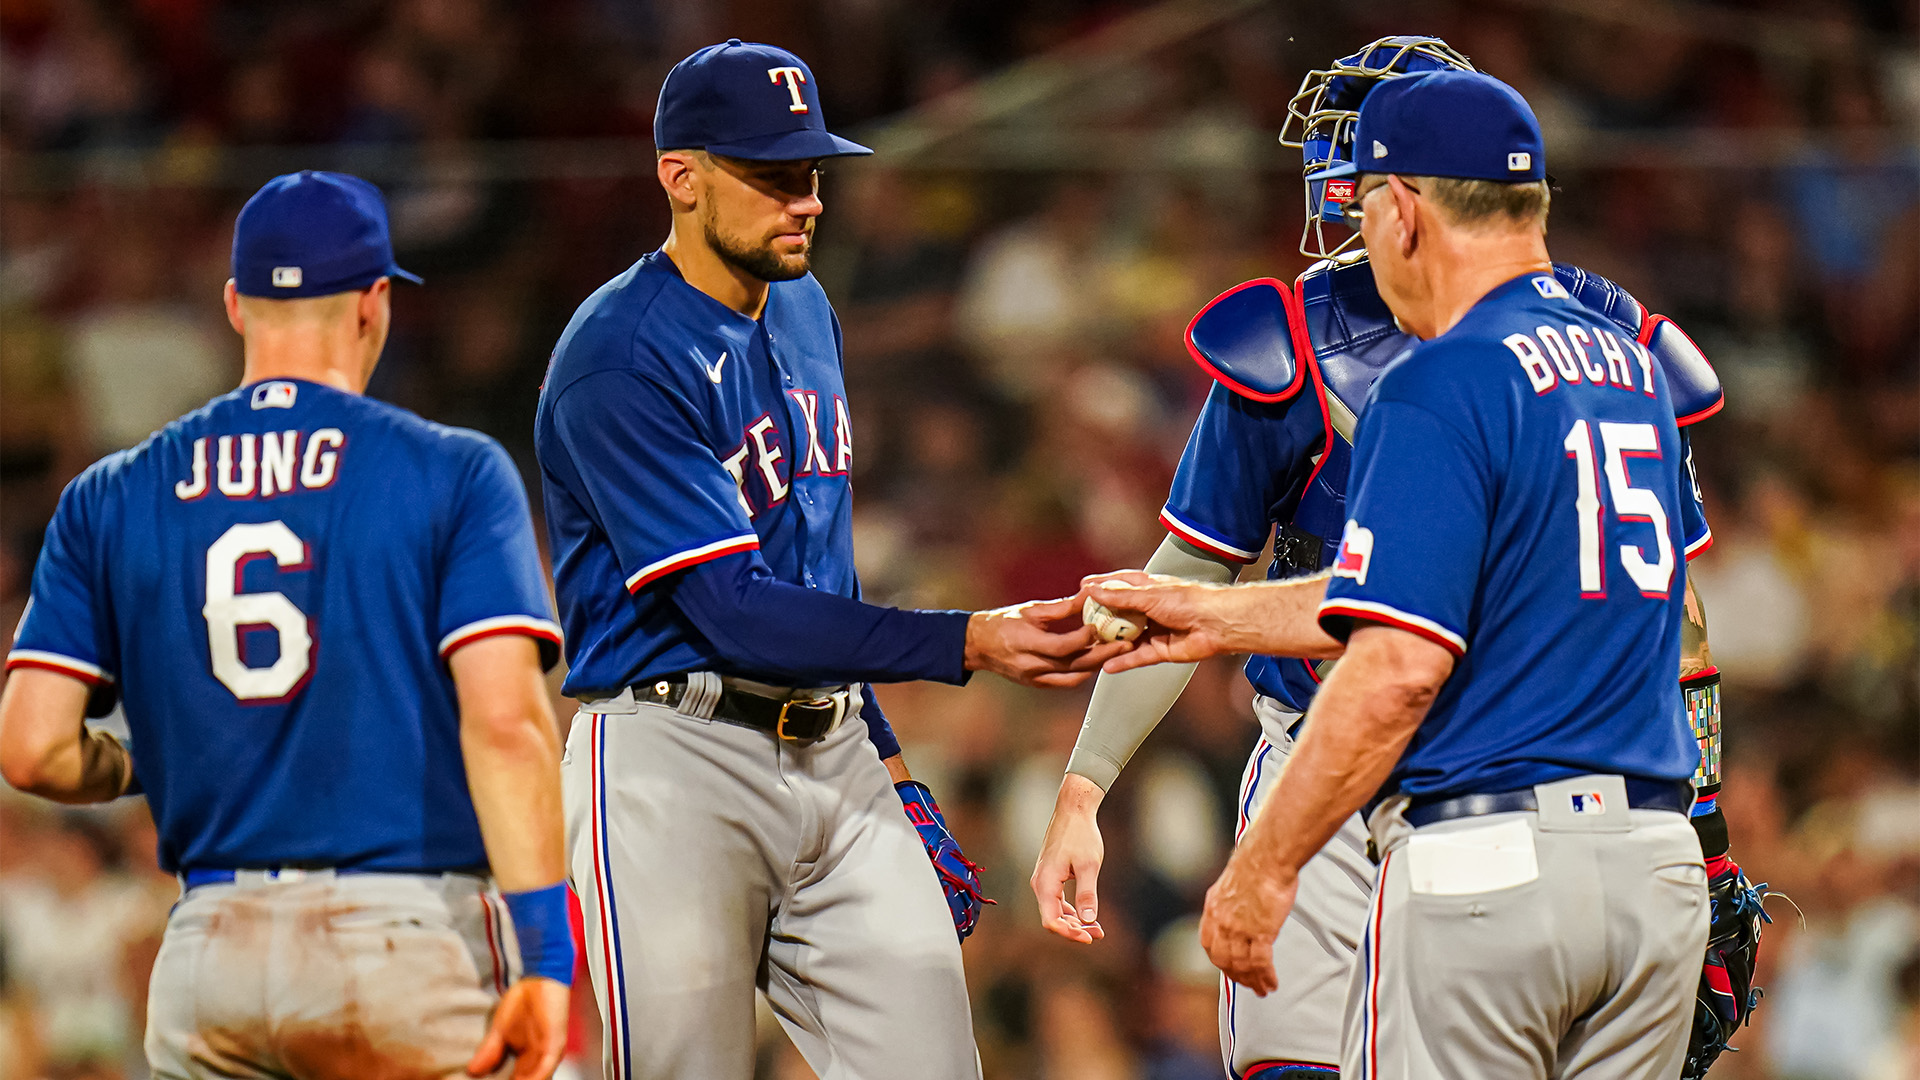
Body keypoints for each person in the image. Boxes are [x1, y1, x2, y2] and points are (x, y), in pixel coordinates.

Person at [1031, 36, 1761, 1080]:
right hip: (1581, 814)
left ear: (1401, 201)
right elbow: (1649, 618)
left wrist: (1258, 863)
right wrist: (1703, 820)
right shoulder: (1624, 351)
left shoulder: (1437, 380)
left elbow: (1399, 647)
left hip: (1466, 809)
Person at [533, 41, 1123, 1080]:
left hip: (835, 747)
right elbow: (732, 608)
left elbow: (819, 577)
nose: (803, 199)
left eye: (811, 172)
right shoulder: (619, 356)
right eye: (770, 174)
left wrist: (889, 758)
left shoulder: (806, 311)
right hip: (674, 759)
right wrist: (968, 640)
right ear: (683, 177)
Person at [0, 172, 572, 1079]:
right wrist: (546, 955)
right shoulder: (453, 473)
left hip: (206, 954)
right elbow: (505, 725)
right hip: (399, 939)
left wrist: (142, 766)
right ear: (375, 302)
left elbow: (31, 750)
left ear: (235, 305)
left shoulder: (109, 494)